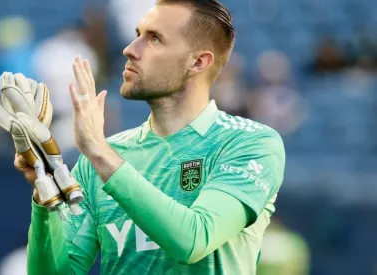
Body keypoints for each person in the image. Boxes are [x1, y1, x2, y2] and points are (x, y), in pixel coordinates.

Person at [15, 0, 286, 274]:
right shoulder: (101, 160)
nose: (130, 50)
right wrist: (44, 191)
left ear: (198, 62)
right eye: (137, 35)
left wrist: (98, 151)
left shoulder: (250, 144)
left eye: (154, 39)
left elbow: (193, 240)